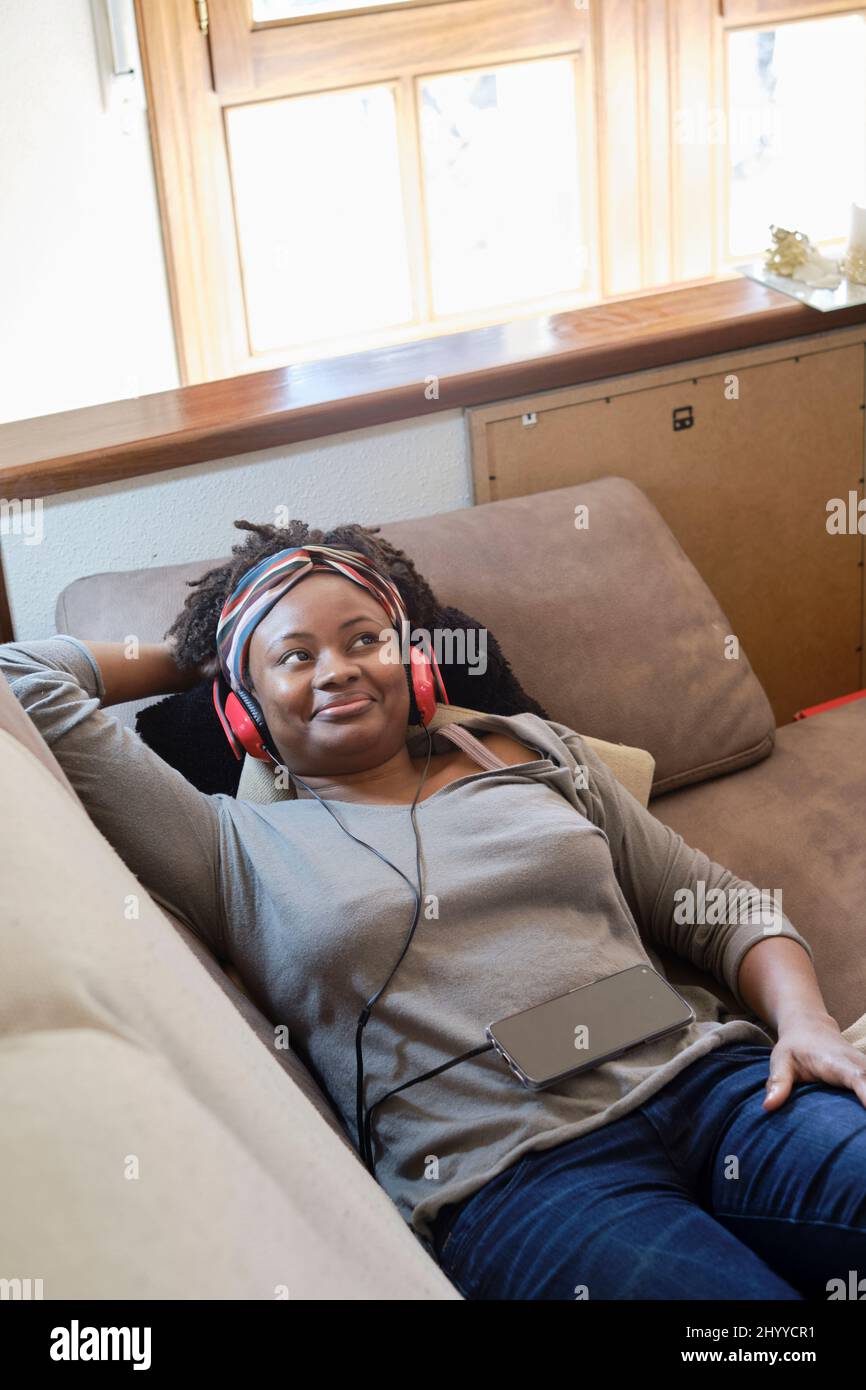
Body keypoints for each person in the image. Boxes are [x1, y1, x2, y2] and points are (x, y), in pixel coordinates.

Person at [3, 518, 865, 1303]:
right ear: (243, 710)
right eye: (295, 658)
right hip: (516, 1178)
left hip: (720, 1086)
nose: (337, 668)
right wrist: (209, 645)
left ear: (415, 660)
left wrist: (808, 1022)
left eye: (364, 639)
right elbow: (16, 679)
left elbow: (715, 908)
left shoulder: (534, 752)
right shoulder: (226, 848)